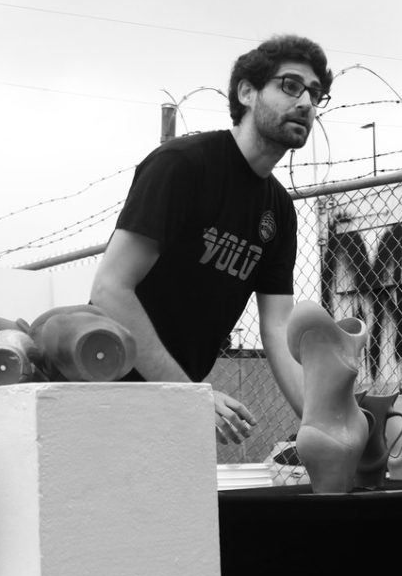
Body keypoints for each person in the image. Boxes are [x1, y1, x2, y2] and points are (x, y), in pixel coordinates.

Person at [90, 34, 333, 445]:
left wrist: (325, 425)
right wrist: (188, 397)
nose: (306, 103)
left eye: (315, 93)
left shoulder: (279, 209)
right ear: (247, 92)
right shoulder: (183, 165)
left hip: (173, 402)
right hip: (101, 393)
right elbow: (110, 289)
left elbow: (277, 327)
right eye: (290, 86)